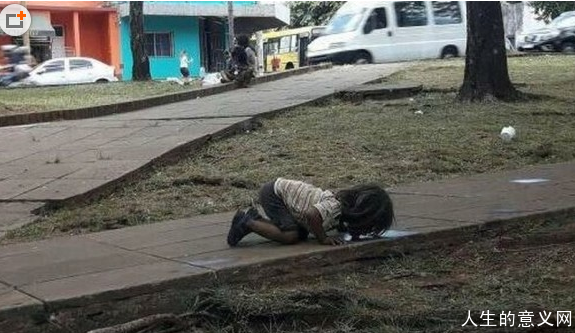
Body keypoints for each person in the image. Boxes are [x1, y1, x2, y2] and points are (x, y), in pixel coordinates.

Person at [227, 178, 395, 247]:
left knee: (301, 234)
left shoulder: (340, 212)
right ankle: (247, 222)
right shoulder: (334, 207)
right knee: (291, 236)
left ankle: (255, 219)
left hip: (281, 193)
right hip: (275, 194)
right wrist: (323, 238)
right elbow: (311, 215)